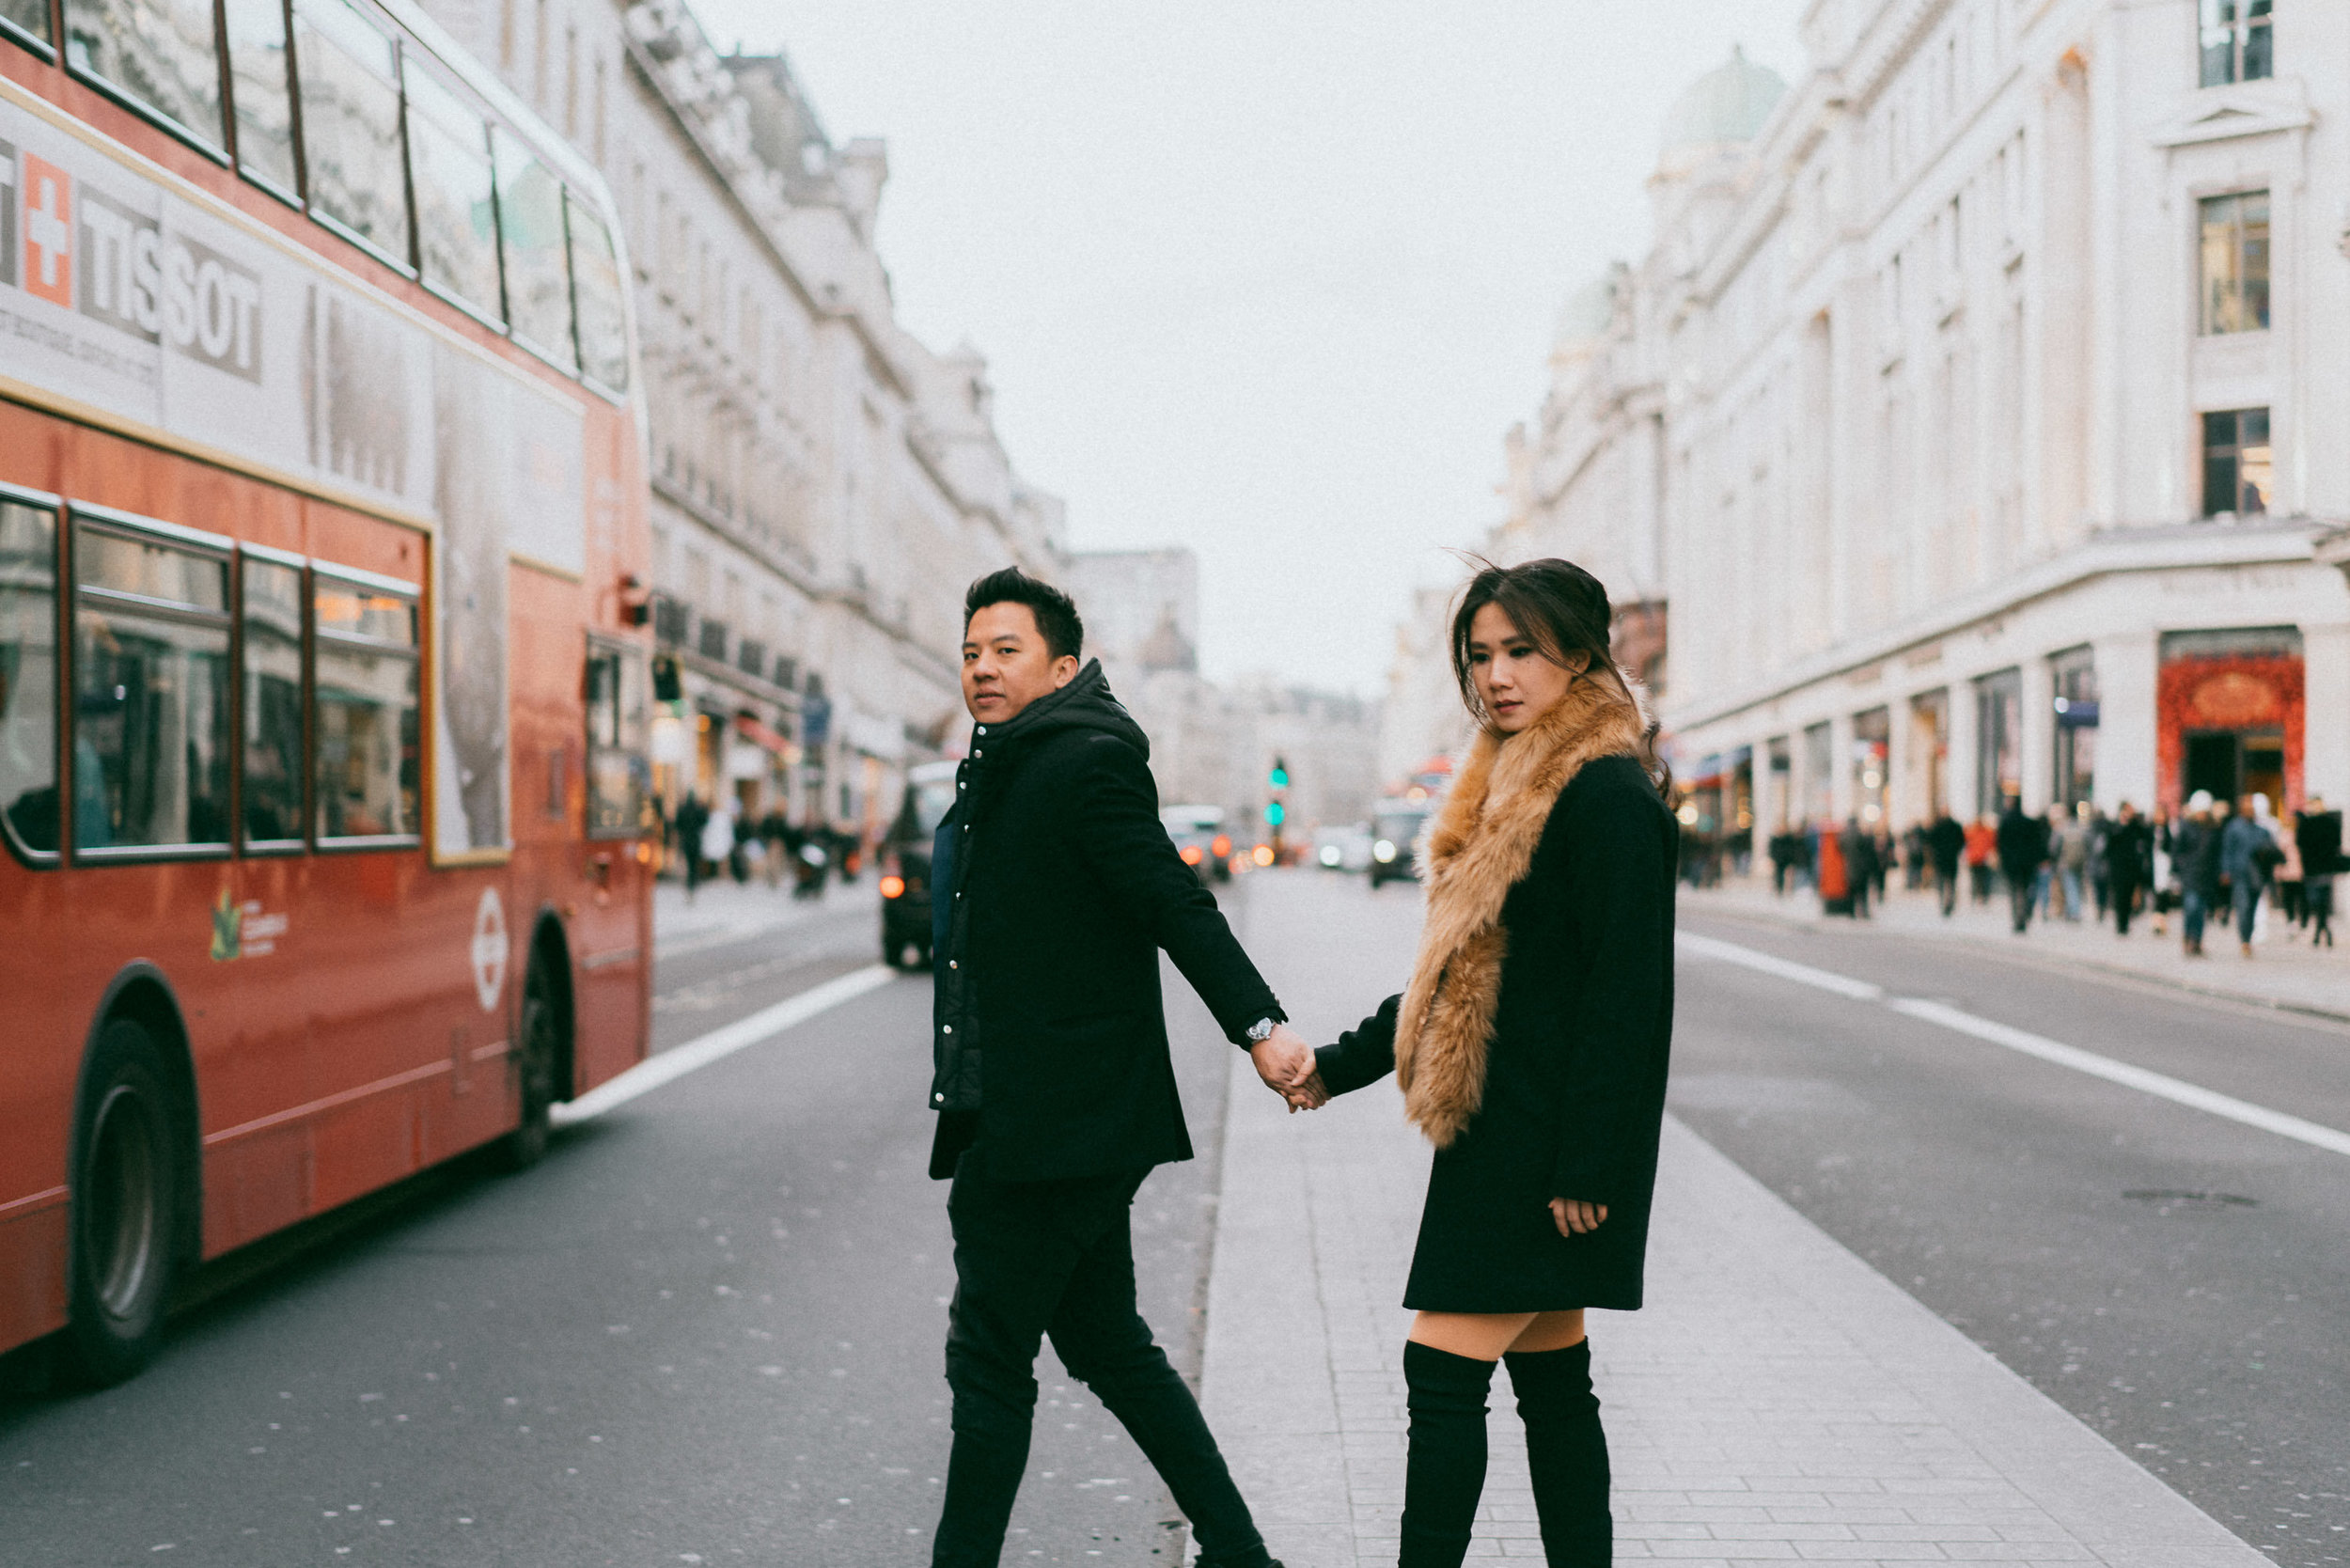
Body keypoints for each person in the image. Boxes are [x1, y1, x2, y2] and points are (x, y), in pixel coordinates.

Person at [925, 567, 1309, 1568]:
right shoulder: (1004, 763)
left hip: (1052, 1122)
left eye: (1005, 651)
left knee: (988, 1360)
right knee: (1104, 1343)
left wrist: (1260, 1025)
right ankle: (1237, 1549)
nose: (981, 668)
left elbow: (1170, 903)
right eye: (970, 652)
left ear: (1062, 666)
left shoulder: (1081, 762)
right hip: (1046, 1113)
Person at [1300, 557, 1677, 1568]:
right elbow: (1455, 975)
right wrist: (1336, 1066)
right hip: (1502, 1130)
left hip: (1545, 1147)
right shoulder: (1513, 787)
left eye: (1520, 650)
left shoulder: (1604, 798)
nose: (1496, 675)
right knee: (1553, 1384)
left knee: (1441, 1372)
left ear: (1582, 654)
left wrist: (1591, 1166)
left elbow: (1625, 1002)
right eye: (1479, 655)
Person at [2220, 794, 2278, 957]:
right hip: (2240, 875)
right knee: (2243, 907)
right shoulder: (2233, 828)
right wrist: (2226, 871)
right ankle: (2244, 940)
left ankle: (2248, 936)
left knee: (2252, 908)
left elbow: (2271, 852)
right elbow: (2227, 850)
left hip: (2257, 875)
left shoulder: (2262, 830)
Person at [2170, 792, 2223, 956]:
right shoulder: (2187, 827)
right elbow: (2177, 850)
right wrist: (2179, 868)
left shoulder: (2214, 829)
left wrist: (2219, 872)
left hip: (2207, 875)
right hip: (2191, 874)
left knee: (2201, 910)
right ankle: (2188, 938)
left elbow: (2217, 852)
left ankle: (2197, 941)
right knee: (2191, 907)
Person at [1995, 799, 2049, 934]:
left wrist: (2003, 859)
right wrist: (2042, 858)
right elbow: (2038, 843)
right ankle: (2024, 915)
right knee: (2025, 890)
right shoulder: (2029, 823)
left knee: (2014, 890)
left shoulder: (2006, 823)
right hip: (2027, 863)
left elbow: (2000, 844)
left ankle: (2017, 917)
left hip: (2011, 863)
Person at [2297, 798, 2341, 948]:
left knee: (2319, 899)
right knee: (2317, 900)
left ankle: (2319, 930)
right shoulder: (2313, 824)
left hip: (2319, 868)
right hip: (2318, 868)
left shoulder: (2322, 824)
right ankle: (2324, 929)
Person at [2105, 802, 2152, 937]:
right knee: (2120, 897)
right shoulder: (2114, 827)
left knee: (2128, 897)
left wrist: (2135, 820)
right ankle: (2120, 925)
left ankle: (2125, 924)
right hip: (2118, 869)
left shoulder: (2135, 827)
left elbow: (2146, 836)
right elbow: (2109, 846)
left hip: (2132, 868)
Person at [671, 792, 710, 902]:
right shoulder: (698, 809)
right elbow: (705, 821)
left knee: (688, 863)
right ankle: (693, 883)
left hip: (686, 840)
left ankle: (689, 884)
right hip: (695, 840)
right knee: (694, 864)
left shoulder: (682, 809)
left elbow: (677, 825)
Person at [1927, 809, 1966, 917]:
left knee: (1944, 883)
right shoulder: (1952, 826)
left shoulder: (1938, 826)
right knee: (1949, 882)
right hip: (1949, 858)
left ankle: (1946, 902)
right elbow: (1961, 841)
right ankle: (1948, 902)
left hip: (1943, 859)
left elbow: (1930, 841)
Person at [1965, 815, 1997, 904]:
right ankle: (1980, 896)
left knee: (1978, 879)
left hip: (1978, 859)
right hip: (1979, 859)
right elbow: (1993, 842)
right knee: (1981, 879)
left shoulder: (1973, 832)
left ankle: (1978, 896)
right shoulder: (1984, 832)